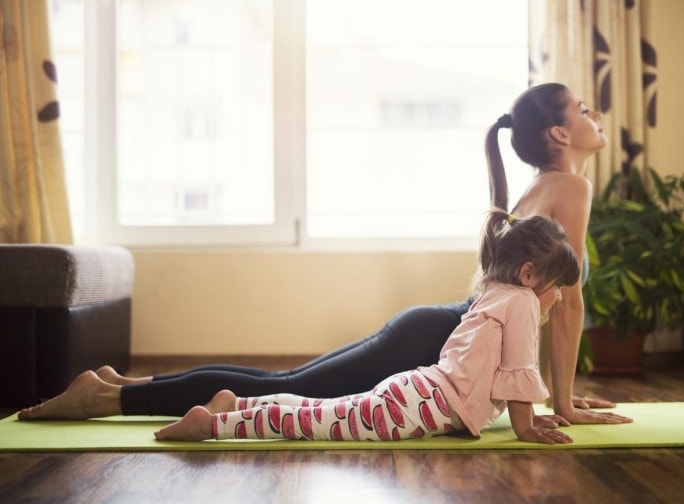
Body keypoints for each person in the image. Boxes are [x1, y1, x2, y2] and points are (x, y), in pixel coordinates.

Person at [19, 83, 630, 427]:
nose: (594, 115)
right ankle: (105, 399)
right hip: (433, 336)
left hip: (434, 326)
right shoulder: (570, 187)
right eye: (582, 110)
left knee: (281, 382)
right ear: (558, 133)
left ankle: (118, 384)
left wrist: (559, 395)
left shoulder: (537, 188)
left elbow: (534, 311)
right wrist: (566, 404)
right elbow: (566, 307)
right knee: (286, 386)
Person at [154, 214, 586, 444]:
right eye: (558, 288)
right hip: (422, 407)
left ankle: (238, 401)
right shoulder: (524, 302)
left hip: (417, 390)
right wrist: (526, 428)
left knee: (324, 408)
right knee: (318, 423)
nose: (560, 298)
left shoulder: (494, 289)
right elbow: (517, 373)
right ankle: (213, 427)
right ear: (529, 275)